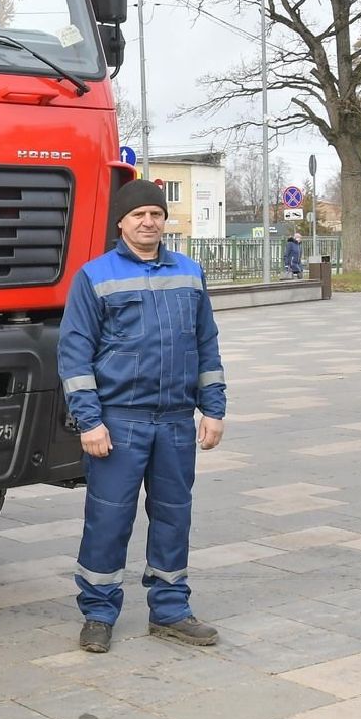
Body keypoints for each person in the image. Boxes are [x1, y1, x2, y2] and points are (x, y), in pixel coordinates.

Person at [58, 179, 227, 655]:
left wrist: (212, 410)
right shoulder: (95, 276)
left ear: (164, 221)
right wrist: (89, 421)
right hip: (119, 421)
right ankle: (98, 612)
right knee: (108, 520)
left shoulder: (190, 273)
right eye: (138, 216)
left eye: (155, 214)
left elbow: (206, 345)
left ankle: (171, 610)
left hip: (175, 420)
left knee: (174, 516)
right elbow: (75, 356)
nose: (148, 222)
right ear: (121, 222)